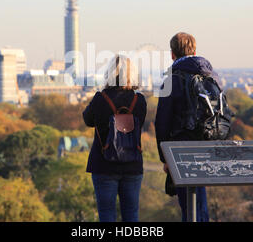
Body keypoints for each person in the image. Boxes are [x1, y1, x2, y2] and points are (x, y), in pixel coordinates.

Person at [155, 32, 220, 222]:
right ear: (195, 50)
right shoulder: (211, 76)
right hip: (208, 145)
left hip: (181, 150)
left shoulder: (172, 80)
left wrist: (165, 157)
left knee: (188, 206)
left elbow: (162, 122)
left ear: (172, 54)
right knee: (201, 204)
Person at [83, 55, 147, 222]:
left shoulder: (100, 98)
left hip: (104, 163)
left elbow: (87, 120)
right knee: (132, 214)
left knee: (106, 214)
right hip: (132, 163)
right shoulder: (139, 100)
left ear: (110, 73)